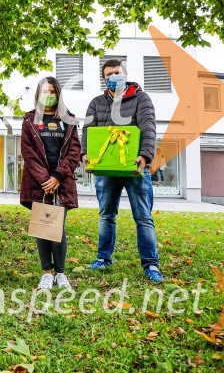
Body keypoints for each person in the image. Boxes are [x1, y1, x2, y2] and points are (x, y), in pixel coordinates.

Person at [83, 59, 162, 283]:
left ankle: (151, 264)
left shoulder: (141, 99)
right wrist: (84, 154)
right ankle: (103, 258)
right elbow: (87, 130)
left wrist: (145, 156)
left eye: (116, 72)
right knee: (106, 216)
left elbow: (148, 128)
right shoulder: (96, 102)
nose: (113, 77)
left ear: (125, 74)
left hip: (135, 167)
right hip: (107, 170)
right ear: (103, 79)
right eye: (108, 74)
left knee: (143, 217)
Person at [20, 77, 81, 290]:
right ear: (38, 94)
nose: (49, 95)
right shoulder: (30, 120)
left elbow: (74, 152)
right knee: (42, 228)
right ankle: (46, 273)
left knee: (57, 228)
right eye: (45, 91)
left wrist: (57, 177)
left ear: (58, 94)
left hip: (61, 183)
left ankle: (60, 273)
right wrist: (45, 179)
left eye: (53, 91)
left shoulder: (68, 120)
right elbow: (28, 152)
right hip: (39, 183)